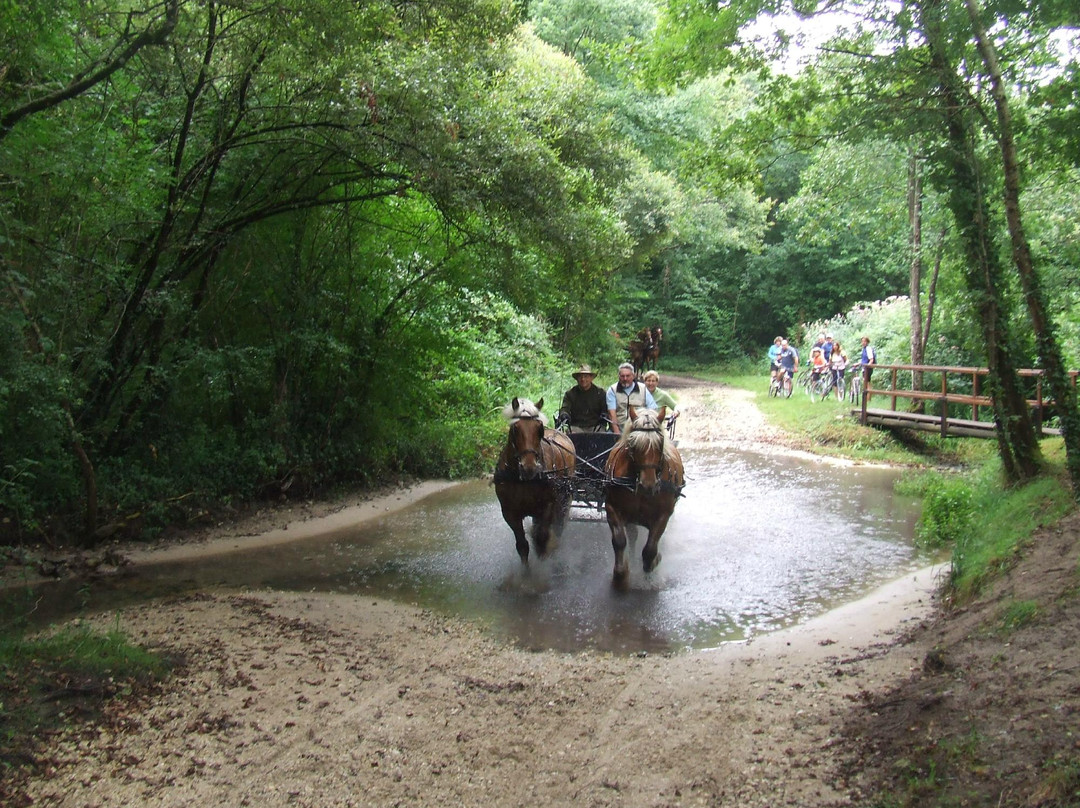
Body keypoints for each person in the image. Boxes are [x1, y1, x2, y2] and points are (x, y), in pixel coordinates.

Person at [606, 362, 656, 434]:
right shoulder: (612, 390)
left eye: (628, 376)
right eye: (622, 376)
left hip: (640, 430)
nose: (625, 378)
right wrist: (617, 434)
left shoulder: (643, 389)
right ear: (618, 376)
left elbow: (652, 409)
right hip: (618, 429)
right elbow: (612, 414)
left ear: (633, 376)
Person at [557, 364, 609, 433]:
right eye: (580, 377)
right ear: (577, 379)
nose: (583, 379)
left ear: (591, 378)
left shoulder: (600, 393)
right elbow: (565, 408)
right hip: (576, 427)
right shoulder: (570, 394)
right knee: (570, 435)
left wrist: (604, 416)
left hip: (595, 427)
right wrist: (564, 415)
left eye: (586, 376)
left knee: (602, 436)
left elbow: (605, 410)